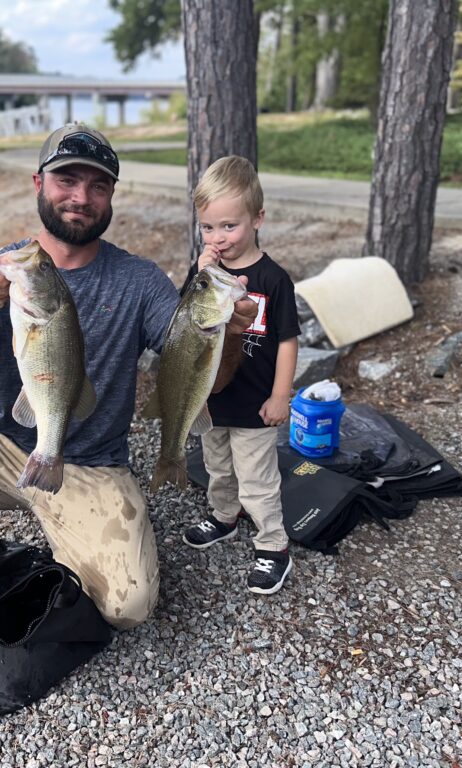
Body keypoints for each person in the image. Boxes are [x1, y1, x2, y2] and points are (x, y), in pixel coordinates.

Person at [0, 124, 258, 661]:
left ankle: (57, 537)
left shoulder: (140, 281)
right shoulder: (3, 269)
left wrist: (227, 334)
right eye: (66, 180)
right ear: (38, 183)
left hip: (93, 464)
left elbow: (200, 374)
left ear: (112, 195)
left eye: (98, 185)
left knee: (130, 604)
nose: (81, 196)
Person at [180, 155, 300, 595]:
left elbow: (287, 341)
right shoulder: (206, 274)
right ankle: (224, 516)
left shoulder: (273, 279)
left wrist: (281, 395)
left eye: (229, 226)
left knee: (257, 479)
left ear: (257, 219)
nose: (218, 238)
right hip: (213, 399)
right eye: (208, 227)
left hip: (255, 403)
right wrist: (201, 275)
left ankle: (273, 545)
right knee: (218, 467)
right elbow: (185, 322)